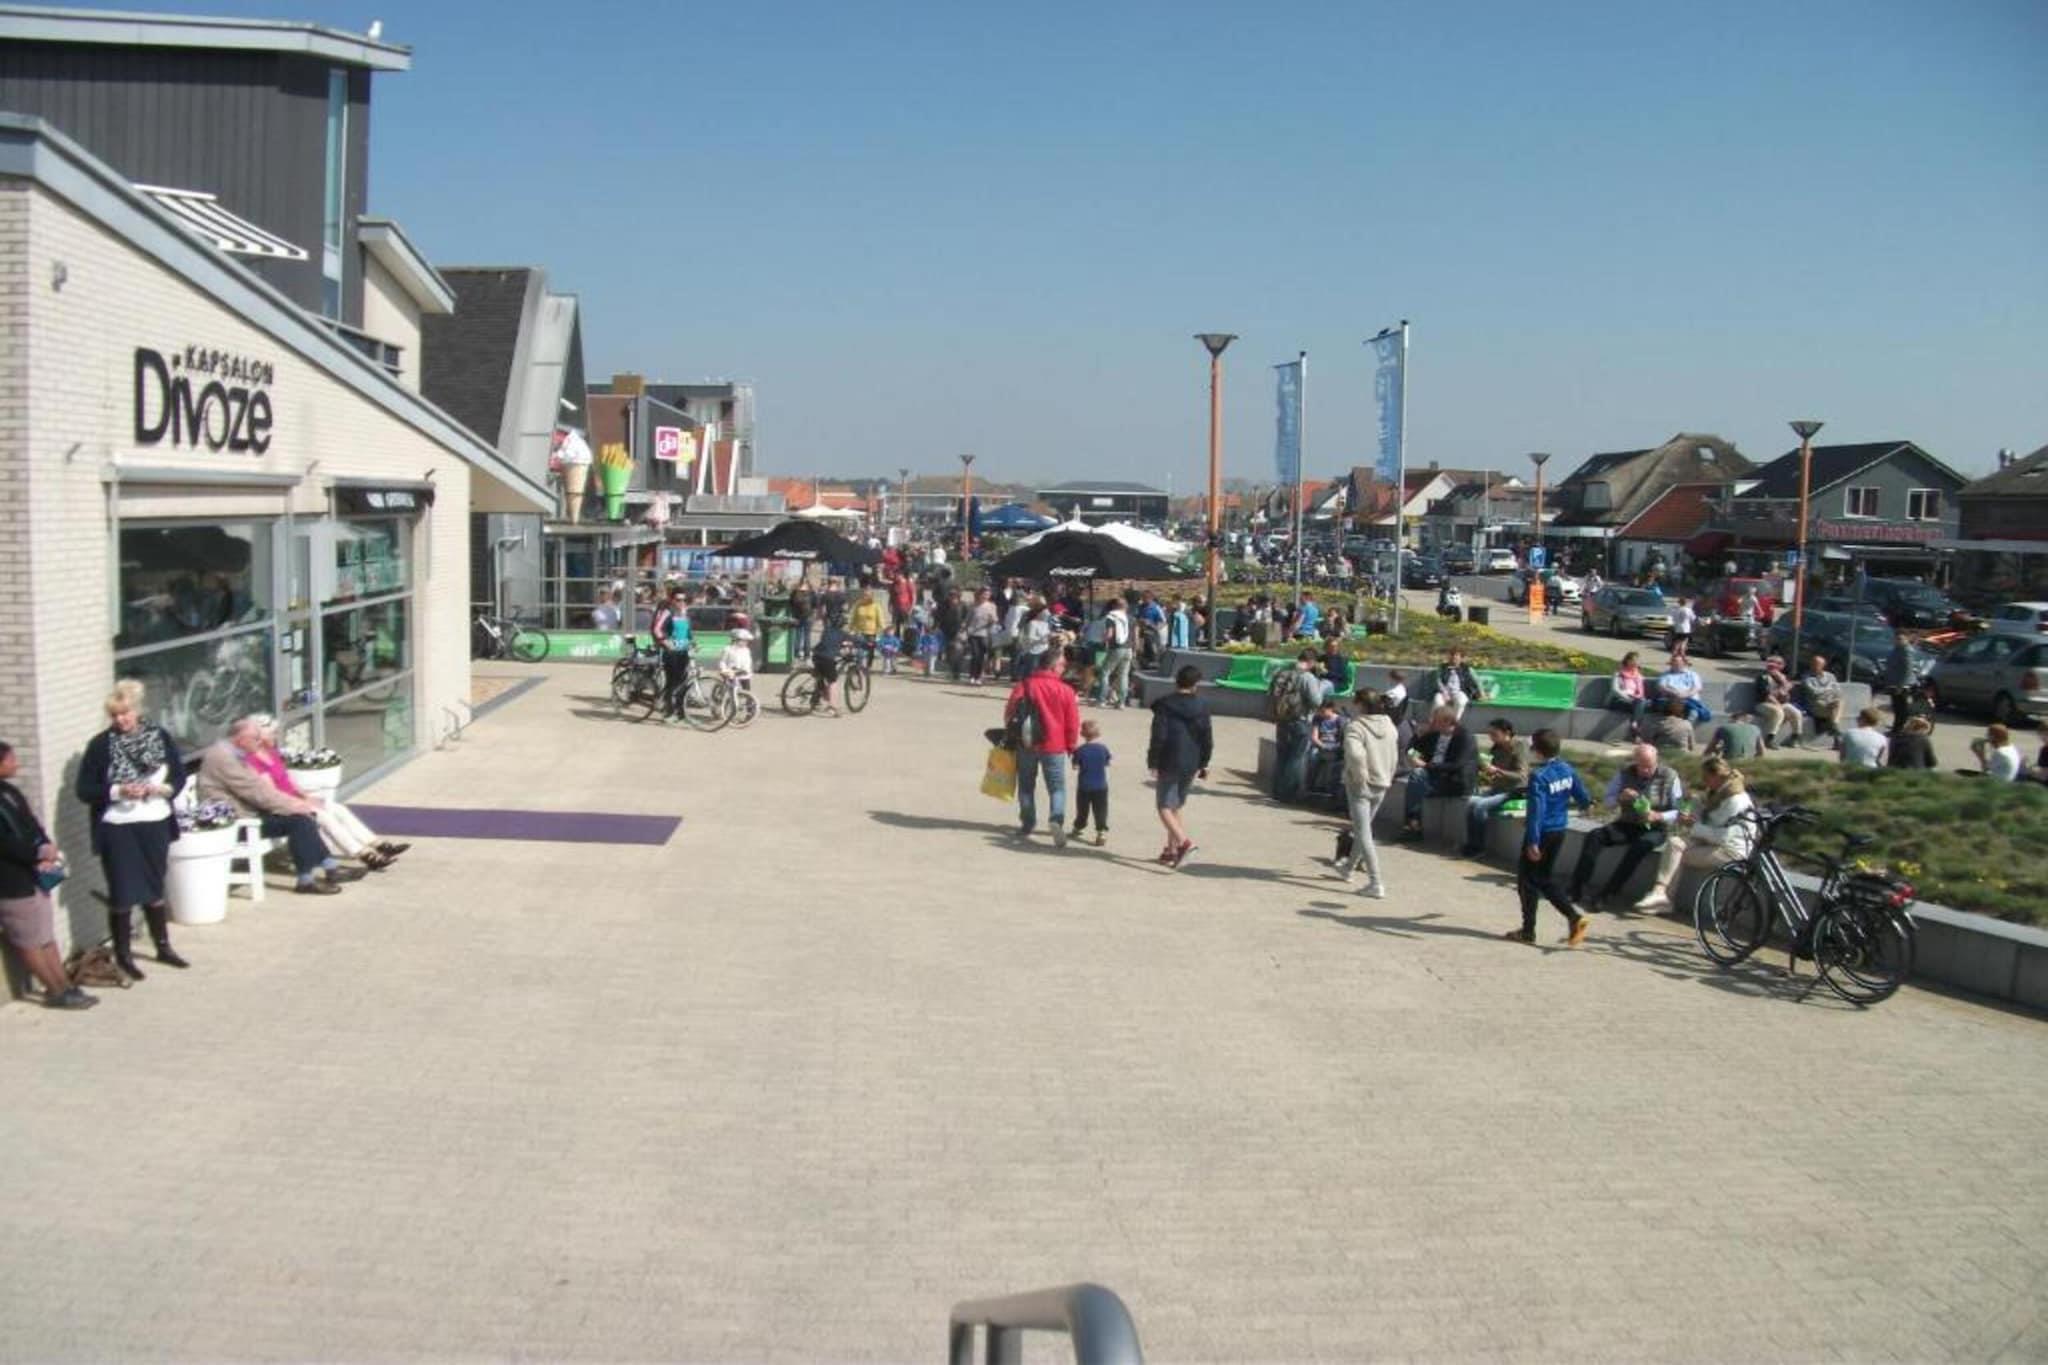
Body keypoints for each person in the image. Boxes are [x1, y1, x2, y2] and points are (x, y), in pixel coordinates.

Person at [75, 681, 189, 978]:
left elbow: (177, 776)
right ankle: (124, 954)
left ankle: (163, 946)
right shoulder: (101, 745)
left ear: (138, 710)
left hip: (155, 820)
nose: (120, 720)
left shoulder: (159, 737)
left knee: (154, 885)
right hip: (118, 826)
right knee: (122, 889)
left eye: (125, 713)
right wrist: (118, 791)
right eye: (115, 715)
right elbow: (84, 789)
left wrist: (161, 789)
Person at [198, 716, 363, 896]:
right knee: (300, 822)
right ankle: (306, 880)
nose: (259, 742)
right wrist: (294, 805)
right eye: (256, 738)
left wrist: (297, 803)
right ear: (241, 739)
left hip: (250, 812)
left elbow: (261, 789)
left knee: (303, 817)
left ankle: (330, 868)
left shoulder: (234, 753)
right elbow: (257, 793)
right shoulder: (223, 758)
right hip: (236, 823)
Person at [1, 739, 96, 1009]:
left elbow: (30, 824)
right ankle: (54, 991)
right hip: (11, 883)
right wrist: (35, 854)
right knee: (29, 941)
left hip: (33, 877)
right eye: (10, 759)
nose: (16, 764)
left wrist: (44, 848)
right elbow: (5, 843)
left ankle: (65, 984)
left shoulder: (9, 792)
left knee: (45, 936)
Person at [247, 718, 407, 869]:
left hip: (293, 799)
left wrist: (306, 796)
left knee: (338, 809)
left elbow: (288, 780)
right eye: (271, 733)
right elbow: (271, 793)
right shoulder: (253, 761)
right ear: (259, 737)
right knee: (323, 816)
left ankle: (377, 844)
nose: (275, 736)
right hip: (279, 807)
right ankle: (364, 854)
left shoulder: (272, 753)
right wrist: (301, 803)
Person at [1567, 742, 1684, 910]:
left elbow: (1679, 810)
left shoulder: (1670, 776)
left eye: (1649, 766)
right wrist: (1620, 798)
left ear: (1656, 760)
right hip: (1628, 823)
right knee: (1595, 836)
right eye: (1641, 766)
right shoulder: (1624, 774)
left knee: (1639, 847)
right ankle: (1576, 887)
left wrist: (1659, 815)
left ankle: (1607, 894)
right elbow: (1608, 802)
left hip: (1656, 827)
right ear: (1635, 762)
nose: (1645, 771)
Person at [1633, 756, 1757, 912]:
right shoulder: (1718, 793)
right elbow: (1708, 820)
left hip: (1732, 850)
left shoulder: (1735, 800)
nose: (1703, 781)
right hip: (1713, 842)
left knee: (1677, 855)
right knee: (1674, 843)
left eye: (1706, 777)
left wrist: (1693, 825)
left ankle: (1664, 898)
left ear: (1717, 775)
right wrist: (1693, 808)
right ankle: (1660, 893)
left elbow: (1723, 837)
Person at [1509, 729, 1593, 947]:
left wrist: (1533, 840)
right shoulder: (1566, 769)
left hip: (1541, 833)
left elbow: (1537, 810)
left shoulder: (1539, 776)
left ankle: (1529, 931)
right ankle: (1573, 918)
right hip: (1559, 831)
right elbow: (1582, 795)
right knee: (1543, 879)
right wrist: (1587, 804)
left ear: (1537, 751)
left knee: (1527, 882)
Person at [1004, 650, 1082, 846]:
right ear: (1053, 666)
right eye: (1062, 665)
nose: (1064, 668)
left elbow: (1010, 713)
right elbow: (1072, 723)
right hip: (1054, 745)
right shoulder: (1066, 690)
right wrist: (1072, 747)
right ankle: (1056, 819)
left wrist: (1012, 734)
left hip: (1027, 742)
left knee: (1026, 785)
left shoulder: (1024, 685)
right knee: (1056, 788)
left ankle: (1027, 823)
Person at [1334, 688, 1399, 896]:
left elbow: (1355, 755)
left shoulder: (1355, 727)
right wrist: (1388, 776)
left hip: (1360, 785)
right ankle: (1348, 868)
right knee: (1363, 829)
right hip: (1382, 782)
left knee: (1364, 833)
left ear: (1361, 705)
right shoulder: (1390, 726)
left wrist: (1359, 777)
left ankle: (1376, 882)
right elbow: (1394, 755)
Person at [1148, 665, 1213, 868]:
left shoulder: (1165, 705)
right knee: (1176, 805)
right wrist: (1204, 763)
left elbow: (1159, 736)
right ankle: (1172, 851)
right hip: (1191, 760)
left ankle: (1185, 843)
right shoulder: (1202, 706)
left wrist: (1153, 761)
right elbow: (1207, 737)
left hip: (1169, 758)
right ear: (1196, 685)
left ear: (1176, 681)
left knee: (1164, 806)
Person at [1399, 704, 1477, 839]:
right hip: (1432, 776)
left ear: (1447, 721)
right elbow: (1411, 748)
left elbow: (1457, 765)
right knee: (1417, 777)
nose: (1432, 723)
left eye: (1435, 720)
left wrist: (1427, 765)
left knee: (1417, 779)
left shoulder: (1465, 737)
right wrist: (1417, 736)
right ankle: (1413, 823)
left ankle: (1413, 824)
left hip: (1453, 781)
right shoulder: (1434, 735)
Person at [1461, 717, 1526, 857]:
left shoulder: (1519, 746)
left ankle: (1480, 847)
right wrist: (1486, 771)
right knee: (1470, 802)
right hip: (1498, 788)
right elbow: (1493, 772)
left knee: (1480, 806)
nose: (1491, 738)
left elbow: (1521, 776)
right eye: (1489, 734)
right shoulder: (1496, 749)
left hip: (1514, 791)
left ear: (1507, 733)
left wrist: (1498, 771)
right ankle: (1471, 843)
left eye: (1494, 734)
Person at [1274, 650, 1326, 802]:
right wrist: (1320, 686)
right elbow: (1316, 701)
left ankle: (1277, 790)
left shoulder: (1283, 672)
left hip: (1282, 718)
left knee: (1282, 755)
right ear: (1312, 661)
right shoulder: (1307, 677)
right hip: (1300, 720)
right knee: (1296, 757)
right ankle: (1288, 793)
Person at [651, 586, 695, 724]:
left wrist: (693, 642)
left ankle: (681, 713)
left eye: (684, 600)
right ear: (672, 600)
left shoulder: (685, 613)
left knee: (683, 682)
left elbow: (688, 632)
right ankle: (668, 712)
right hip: (671, 653)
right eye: (678, 599)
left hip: (683, 652)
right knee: (673, 682)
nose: (681, 602)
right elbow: (657, 629)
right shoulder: (667, 612)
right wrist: (665, 642)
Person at [1069, 719, 1113, 846]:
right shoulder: (1103, 749)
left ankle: (1078, 827)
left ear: (1082, 734)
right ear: (1098, 733)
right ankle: (1101, 832)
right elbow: (1107, 763)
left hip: (1084, 786)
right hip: (1101, 786)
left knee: (1082, 809)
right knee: (1100, 810)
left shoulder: (1080, 750)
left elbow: (1075, 767)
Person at [1796, 654, 1844, 747]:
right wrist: (1829, 689)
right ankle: (1836, 737)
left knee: (1839, 702)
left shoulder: (1831, 676)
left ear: (1823, 665)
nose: (1814, 666)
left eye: (1817, 664)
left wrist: (1826, 691)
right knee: (1834, 711)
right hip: (1815, 704)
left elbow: (1838, 691)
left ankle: (1834, 726)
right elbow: (1815, 693)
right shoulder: (1807, 677)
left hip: (1829, 702)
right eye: (1813, 663)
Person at [1097, 598, 1135, 708]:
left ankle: (1102, 700)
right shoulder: (1131, 618)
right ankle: (1121, 702)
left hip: (1116, 648)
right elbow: (1135, 636)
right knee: (1123, 675)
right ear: (1126, 606)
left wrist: (1102, 641)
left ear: (1115, 606)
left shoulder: (1112, 617)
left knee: (1105, 672)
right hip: (1129, 649)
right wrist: (1135, 649)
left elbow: (1109, 634)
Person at [1430, 648, 1484, 722]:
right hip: (1444, 692)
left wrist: (1481, 693)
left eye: (1456, 656)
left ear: (1461, 658)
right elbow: (1438, 681)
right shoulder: (1442, 667)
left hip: (1459, 692)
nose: (1454, 658)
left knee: (1461, 701)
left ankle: (1453, 723)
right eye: (1452, 655)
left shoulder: (1467, 669)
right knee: (1438, 701)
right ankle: (1434, 723)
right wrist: (1444, 693)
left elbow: (1477, 681)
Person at [810, 615, 849, 716]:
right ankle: (832, 707)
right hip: (827, 658)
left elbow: (827, 642)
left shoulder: (826, 630)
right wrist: (868, 644)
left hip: (816, 655)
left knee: (820, 677)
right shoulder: (842, 634)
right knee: (833, 681)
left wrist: (839, 646)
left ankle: (815, 699)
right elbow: (856, 640)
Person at [1754, 656, 1795, 749]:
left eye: (1778, 665)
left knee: (1795, 712)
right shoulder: (1763, 678)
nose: (1774, 668)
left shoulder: (1782, 678)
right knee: (1778, 712)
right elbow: (1767, 696)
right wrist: (1779, 705)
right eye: (1771, 666)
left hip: (1778, 704)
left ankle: (1795, 737)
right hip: (1763, 704)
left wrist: (1784, 683)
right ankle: (1769, 739)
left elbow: (1786, 698)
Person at [1305, 698, 1344, 798]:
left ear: (1331, 709)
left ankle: (1330, 788)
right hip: (1320, 745)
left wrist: (1331, 748)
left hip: (1334, 747)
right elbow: (1314, 737)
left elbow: (1341, 740)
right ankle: (1310, 785)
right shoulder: (1318, 719)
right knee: (1313, 757)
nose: (1322, 714)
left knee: (1333, 763)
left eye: (1323, 711)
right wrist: (1322, 746)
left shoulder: (1339, 720)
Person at [1653, 656, 1709, 724]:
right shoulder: (1666, 674)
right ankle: (1670, 728)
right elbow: (1660, 687)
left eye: (1678, 662)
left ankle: (1685, 728)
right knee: (1661, 708)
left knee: (1694, 713)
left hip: (1689, 700)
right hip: (1670, 699)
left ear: (1684, 663)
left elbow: (1697, 687)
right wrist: (1674, 693)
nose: (1676, 664)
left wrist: (1685, 695)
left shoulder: (1692, 674)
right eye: (1674, 662)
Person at [1607, 651, 1650, 738]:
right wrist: (1629, 699)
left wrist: (1634, 700)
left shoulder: (1638, 676)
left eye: (1637, 661)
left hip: (1633, 701)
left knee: (1641, 704)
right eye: (1634, 661)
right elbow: (1615, 690)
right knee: (1640, 706)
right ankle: (1636, 731)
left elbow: (1640, 693)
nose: (1636, 663)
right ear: (1627, 661)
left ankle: (1634, 724)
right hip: (1617, 700)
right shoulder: (1618, 674)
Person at [965, 587, 998, 686]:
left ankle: (978, 677)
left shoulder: (992, 606)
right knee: (975, 655)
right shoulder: (973, 605)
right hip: (973, 633)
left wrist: (993, 620)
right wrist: (965, 628)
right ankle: (972, 676)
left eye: (987, 594)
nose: (985, 596)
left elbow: (995, 619)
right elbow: (968, 619)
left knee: (981, 656)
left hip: (985, 634)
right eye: (984, 594)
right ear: (979, 595)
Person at [849, 588, 884, 665]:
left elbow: (880, 619)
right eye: (864, 595)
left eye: (867, 595)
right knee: (860, 652)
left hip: (872, 632)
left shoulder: (876, 606)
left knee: (870, 651)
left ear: (871, 596)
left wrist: (881, 632)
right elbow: (854, 617)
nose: (865, 597)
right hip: (860, 631)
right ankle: (859, 666)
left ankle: (868, 666)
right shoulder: (858, 604)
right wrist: (851, 629)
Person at [787, 582, 815, 660]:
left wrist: (794, 614)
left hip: (797, 617)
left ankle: (796, 653)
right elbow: (815, 605)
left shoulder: (794, 593)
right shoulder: (811, 593)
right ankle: (807, 654)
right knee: (807, 636)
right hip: (808, 617)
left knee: (798, 635)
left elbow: (790, 604)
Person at [1667, 596, 1697, 662]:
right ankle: (1683, 658)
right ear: (1685, 603)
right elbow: (1693, 619)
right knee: (1683, 643)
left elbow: (1673, 619)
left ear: (1679, 603)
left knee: (1677, 643)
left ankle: (1677, 657)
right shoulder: (1688, 610)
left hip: (1678, 629)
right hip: (1686, 629)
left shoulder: (1676, 610)